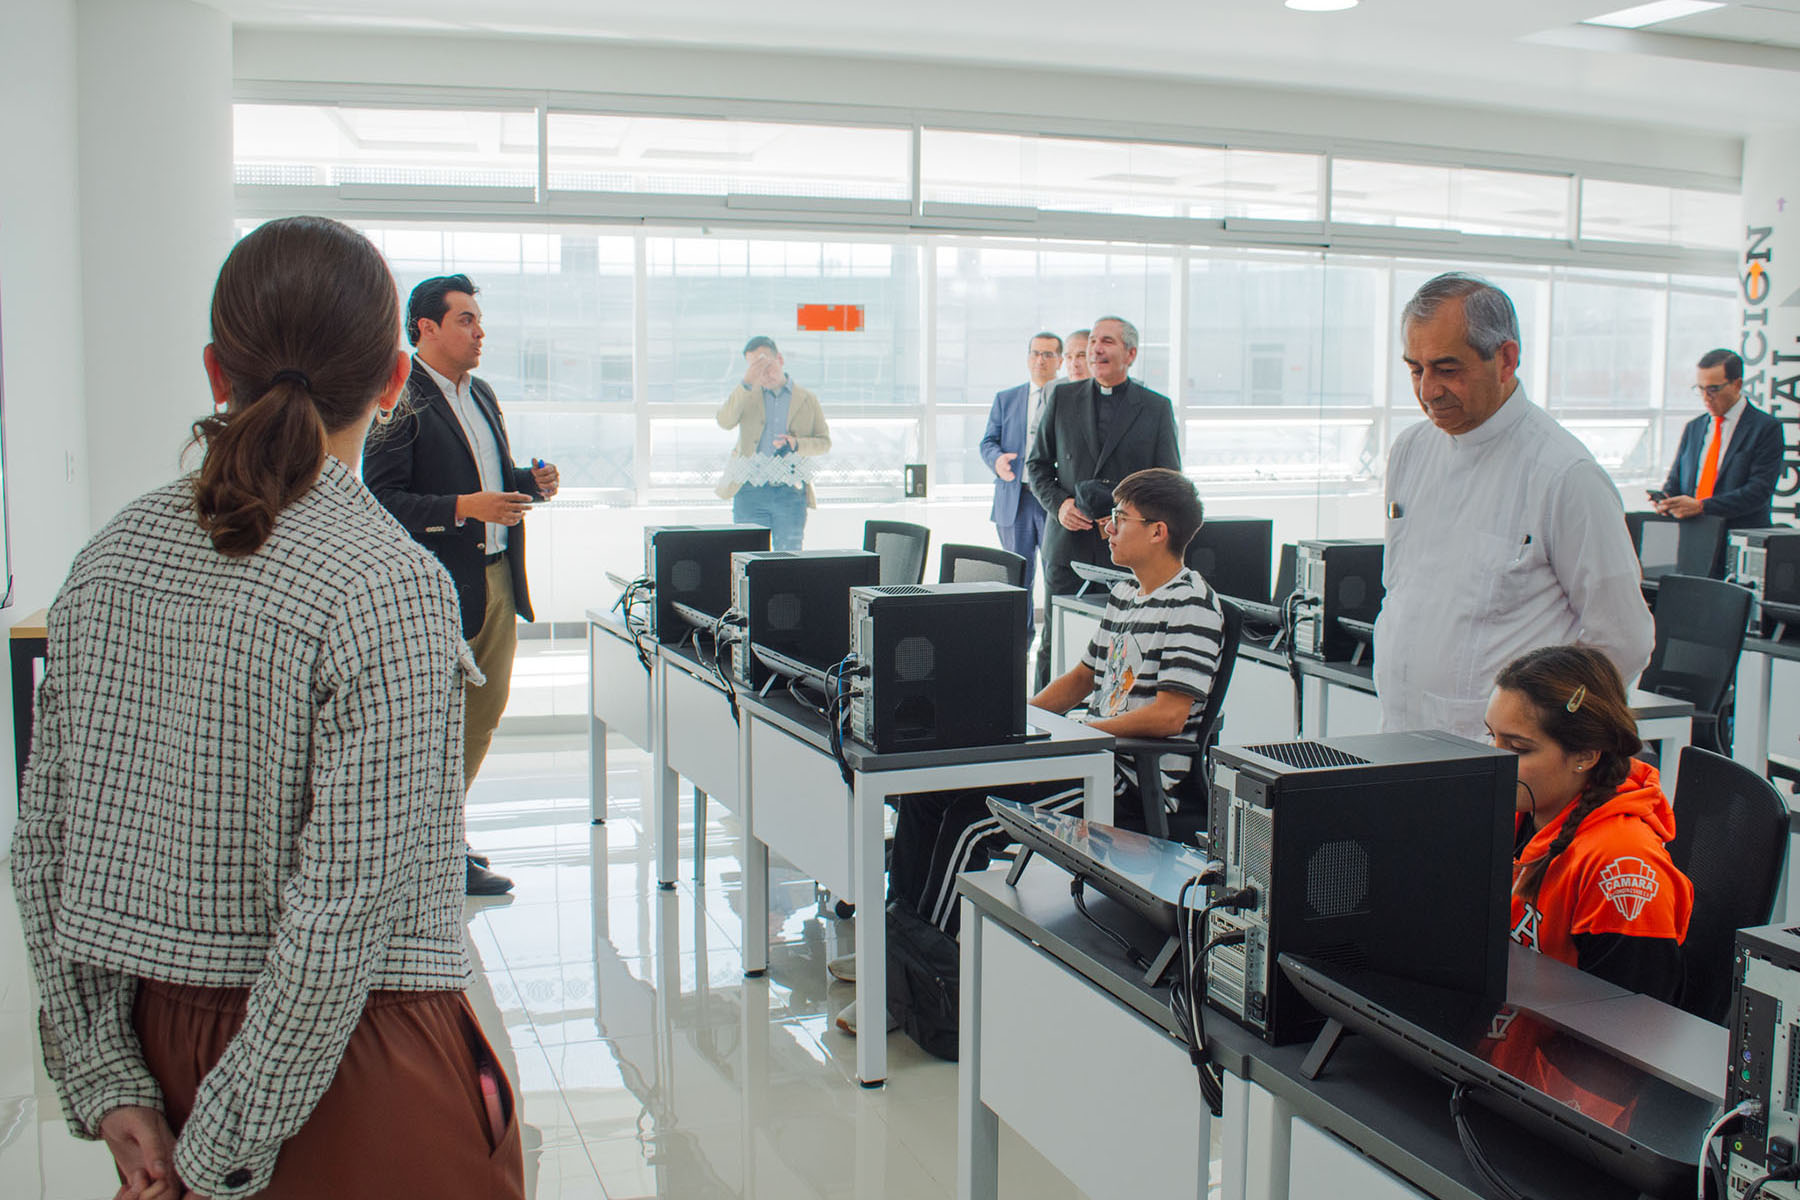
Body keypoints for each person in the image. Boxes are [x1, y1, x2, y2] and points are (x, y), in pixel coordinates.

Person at [11, 216, 524, 1200]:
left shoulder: (109, 559)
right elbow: (344, 911)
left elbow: (43, 853)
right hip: (352, 1061)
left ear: (217, 370)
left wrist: (108, 1078)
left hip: (157, 1042)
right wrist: (225, 1145)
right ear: (391, 379)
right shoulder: (384, 580)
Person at [834, 468, 1224, 1035]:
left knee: (971, 822)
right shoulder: (1124, 595)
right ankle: (892, 956)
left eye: (1120, 519)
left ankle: (917, 980)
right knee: (928, 799)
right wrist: (1009, 723)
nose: (1107, 528)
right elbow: (1079, 679)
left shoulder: (1193, 606)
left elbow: (1169, 714)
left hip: (1122, 776)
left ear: (1159, 531)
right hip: (1090, 752)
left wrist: (1088, 732)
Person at [1375, 272, 1652, 742]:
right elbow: (1404, 586)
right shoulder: (1410, 450)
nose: (1427, 391)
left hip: (1502, 761)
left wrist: (1548, 740)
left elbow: (1622, 640)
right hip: (1399, 734)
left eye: (1447, 369)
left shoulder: (1565, 475)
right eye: (1415, 369)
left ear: (1506, 359)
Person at [363, 274, 559, 896]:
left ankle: (442, 835)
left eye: (479, 321)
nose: (480, 333)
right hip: (439, 588)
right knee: (435, 722)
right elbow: (383, 499)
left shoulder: (483, 394)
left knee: (482, 713)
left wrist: (530, 482)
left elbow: (488, 475)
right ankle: (431, 845)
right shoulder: (402, 399)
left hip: (496, 578)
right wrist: (464, 507)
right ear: (426, 328)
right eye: (466, 321)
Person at [1485, 645, 1692, 1001]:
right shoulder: (1520, 812)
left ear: (1585, 755)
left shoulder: (1622, 867)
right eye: (1492, 737)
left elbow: (1629, 1031)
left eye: (1518, 749)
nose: (1494, 758)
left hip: (1547, 1051)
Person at [1025, 316, 1181, 690]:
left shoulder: (1156, 407)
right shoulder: (1062, 398)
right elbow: (1037, 466)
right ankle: (1041, 725)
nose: (1096, 349)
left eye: (1106, 341)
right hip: (1068, 546)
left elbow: (1169, 482)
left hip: (1129, 552)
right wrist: (1060, 505)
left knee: (1124, 647)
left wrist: (1127, 517)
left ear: (1130, 353)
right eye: (1093, 340)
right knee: (1056, 643)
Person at [979, 332, 1062, 647]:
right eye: (1036, 353)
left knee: (1055, 574)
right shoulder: (1007, 398)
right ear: (1028, 357)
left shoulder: (1067, 396)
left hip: (1052, 500)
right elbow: (988, 441)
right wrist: (997, 460)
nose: (1041, 360)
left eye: (1049, 354)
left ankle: (1052, 645)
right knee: (1017, 578)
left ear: (1060, 361)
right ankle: (1019, 645)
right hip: (1015, 499)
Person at [1655, 348, 1783, 549]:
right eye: (1700, 389)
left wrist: (1702, 507)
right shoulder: (1694, 428)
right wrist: (1666, 500)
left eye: (1713, 389)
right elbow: (1675, 480)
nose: (1706, 397)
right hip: (1692, 538)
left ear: (1737, 385)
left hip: (1737, 540)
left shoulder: (1765, 428)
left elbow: (1759, 491)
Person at [716, 335, 832, 550]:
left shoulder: (807, 399)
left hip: (790, 492)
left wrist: (797, 444)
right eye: (754, 367)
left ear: (779, 359)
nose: (762, 373)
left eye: (765, 364)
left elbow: (824, 442)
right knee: (747, 556)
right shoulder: (747, 395)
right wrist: (746, 383)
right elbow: (724, 421)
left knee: (788, 560)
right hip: (750, 490)